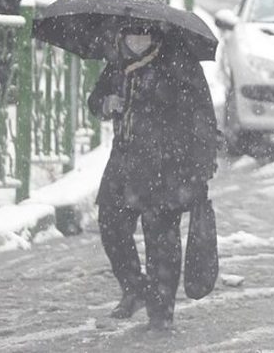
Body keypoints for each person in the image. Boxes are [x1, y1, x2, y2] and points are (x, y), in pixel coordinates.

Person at [88, 24, 218, 330]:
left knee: (161, 239)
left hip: (167, 166)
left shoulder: (178, 62)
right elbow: (95, 100)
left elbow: (201, 113)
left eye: (141, 37)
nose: (134, 43)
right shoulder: (118, 63)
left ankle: (161, 312)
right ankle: (136, 288)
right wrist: (105, 104)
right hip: (123, 162)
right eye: (129, 37)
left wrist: (201, 162)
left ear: (154, 36)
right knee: (111, 225)